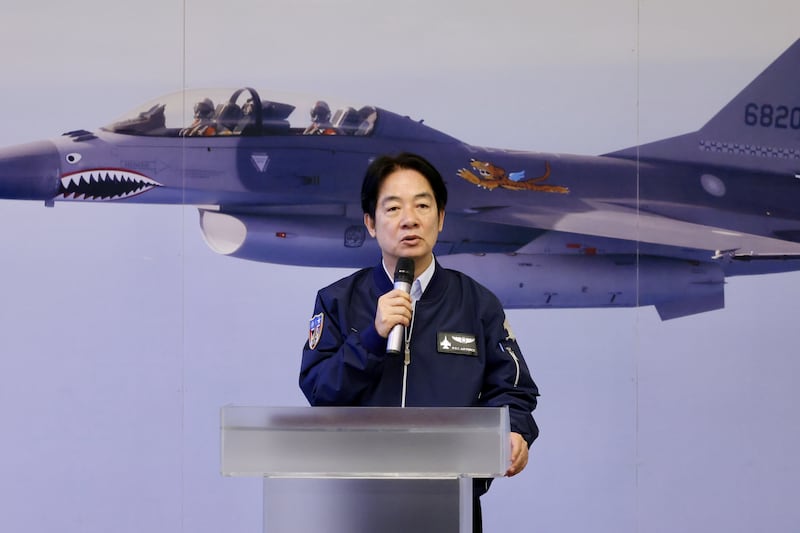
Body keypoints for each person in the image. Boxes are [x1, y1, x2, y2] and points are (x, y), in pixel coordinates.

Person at [299, 152, 539, 532]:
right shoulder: (337, 301)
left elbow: (512, 389)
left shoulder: (477, 303)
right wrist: (373, 339)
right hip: (356, 505)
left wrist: (514, 430)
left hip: (450, 502)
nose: (409, 219)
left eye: (422, 205)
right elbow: (319, 389)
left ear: (440, 219)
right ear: (371, 224)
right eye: (392, 207)